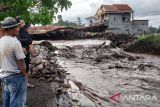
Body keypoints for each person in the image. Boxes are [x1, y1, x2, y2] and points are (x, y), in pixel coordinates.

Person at [0, 17, 27, 107]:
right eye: (16, 27)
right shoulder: (15, 42)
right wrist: (24, 75)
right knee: (16, 102)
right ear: (11, 29)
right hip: (15, 76)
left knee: (7, 100)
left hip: (4, 76)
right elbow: (21, 62)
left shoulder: (1, 41)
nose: (18, 29)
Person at [16, 18, 34, 88]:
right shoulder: (15, 32)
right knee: (19, 68)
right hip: (18, 52)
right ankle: (19, 83)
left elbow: (30, 41)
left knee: (26, 67)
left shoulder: (25, 31)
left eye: (24, 22)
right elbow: (16, 41)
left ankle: (26, 83)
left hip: (26, 51)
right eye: (22, 23)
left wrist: (22, 41)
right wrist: (25, 41)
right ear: (18, 24)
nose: (24, 24)